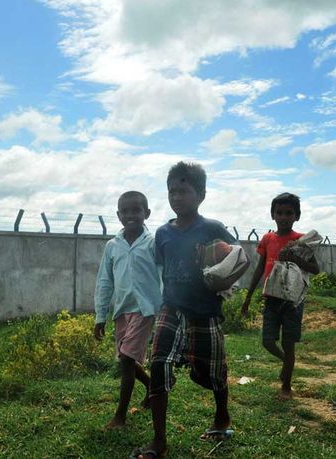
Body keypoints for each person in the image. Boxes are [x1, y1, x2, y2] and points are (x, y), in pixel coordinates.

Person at [131, 162, 243, 459]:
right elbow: (160, 267)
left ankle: (221, 415)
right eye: (172, 191)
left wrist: (224, 279)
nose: (176, 197)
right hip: (172, 308)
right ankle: (159, 441)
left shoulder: (213, 229)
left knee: (214, 373)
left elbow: (238, 259)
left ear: (201, 195)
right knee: (158, 365)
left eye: (184, 191)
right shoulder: (164, 233)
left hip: (205, 311)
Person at [94, 191, 162, 429]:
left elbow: (163, 275)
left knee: (126, 359)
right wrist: (100, 316)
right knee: (128, 360)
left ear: (147, 213)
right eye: (125, 211)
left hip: (145, 309)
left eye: (137, 210)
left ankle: (120, 416)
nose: (131, 215)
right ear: (118, 215)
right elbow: (105, 281)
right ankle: (152, 386)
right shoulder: (112, 246)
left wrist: (165, 307)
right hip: (122, 310)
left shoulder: (153, 243)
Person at [241, 192, 319, 400]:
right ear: (273, 215)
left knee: (288, 342)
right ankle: (286, 362)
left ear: (297, 216)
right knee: (267, 341)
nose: (284, 217)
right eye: (279, 212)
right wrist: (248, 296)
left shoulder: (300, 242)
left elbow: (315, 268)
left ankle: (286, 386)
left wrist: (296, 258)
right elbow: (259, 269)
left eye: (289, 213)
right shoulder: (267, 239)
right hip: (271, 298)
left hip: (292, 301)